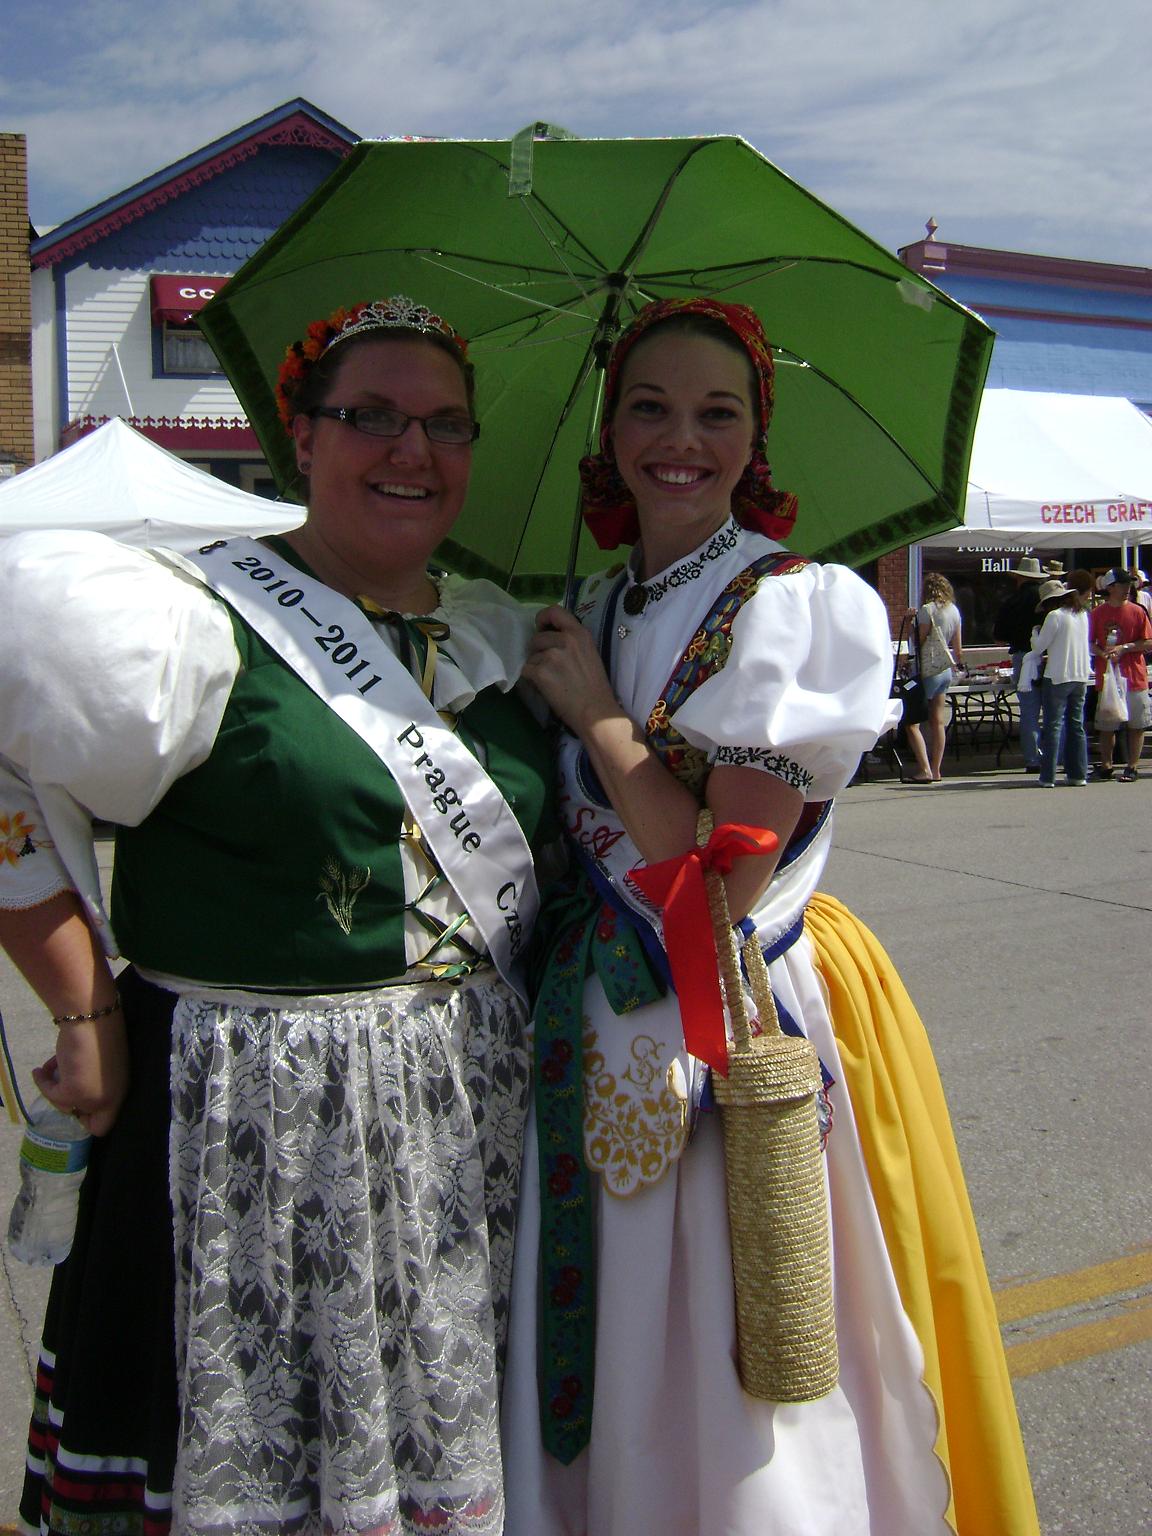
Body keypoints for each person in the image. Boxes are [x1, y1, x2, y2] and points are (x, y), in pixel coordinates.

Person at [0, 296, 555, 1536]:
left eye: (445, 425)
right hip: (242, 1128)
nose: (412, 451)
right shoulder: (182, 620)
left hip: (461, 1125)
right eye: (371, 417)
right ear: (299, 437)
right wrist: (80, 1000)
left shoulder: (509, 635)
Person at [503, 297, 1038, 1535]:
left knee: (745, 1351)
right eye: (649, 405)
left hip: (730, 1018)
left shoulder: (797, 606)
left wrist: (595, 716)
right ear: (608, 425)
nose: (678, 439)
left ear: (757, 439)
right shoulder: (595, 598)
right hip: (590, 1023)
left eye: (715, 412)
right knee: (620, 1340)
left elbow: (719, 879)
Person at [1030, 572, 1095, 787]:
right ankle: (1078, 773)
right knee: (1076, 725)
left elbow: (1039, 648)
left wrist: (1035, 633)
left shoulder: (1055, 616)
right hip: (1080, 674)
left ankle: (1048, 776)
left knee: (1053, 725)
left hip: (1058, 675)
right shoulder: (1083, 614)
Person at [1088, 568, 1152, 781]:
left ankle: (1132, 766)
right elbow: (1089, 643)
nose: (1127, 589)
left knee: (1137, 724)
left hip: (1134, 675)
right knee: (1107, 725)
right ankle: (1106, 765)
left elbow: (1148, 641)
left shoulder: (1137, 611)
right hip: (1108, 676)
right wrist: (1102, 652)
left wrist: (1125, 647)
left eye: (1129, 585)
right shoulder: (1097, 613)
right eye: (1123, 585)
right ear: (1110, 587)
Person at [904, 572, 965, 783]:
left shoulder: (927, 610)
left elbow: (919, 641)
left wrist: (909, 625)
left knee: (912, 722)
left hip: (928, 670)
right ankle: (937, 769)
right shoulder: (954, 611)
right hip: (945, 669)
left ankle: (925, 769)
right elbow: (958, 648)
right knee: (938, 721)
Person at [992, 556, 1048, 771]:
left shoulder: (1011, 601)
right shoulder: (1047, 601)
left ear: (1019, 578)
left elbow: (999, 636)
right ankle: (1055, 756)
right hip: (1047, 656)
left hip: (1022, 657)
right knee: (1053, 711)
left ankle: (1032, 758)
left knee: (1029, 711)